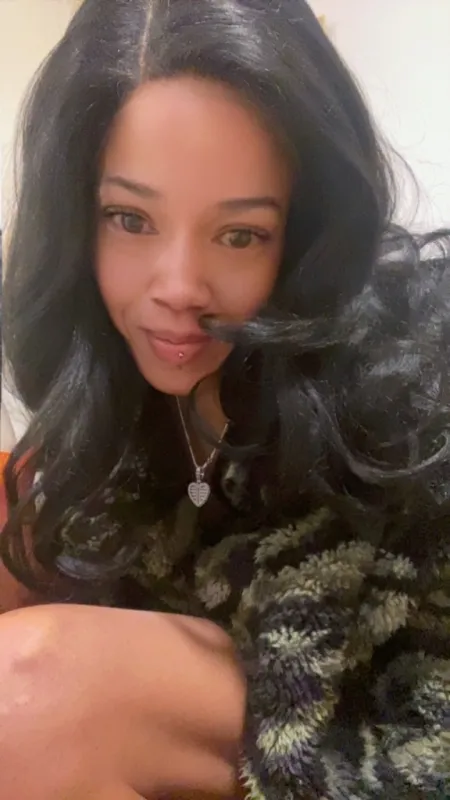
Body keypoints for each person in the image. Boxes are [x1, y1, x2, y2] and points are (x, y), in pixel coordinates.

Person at [1, 0, 449, 797]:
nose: (179, 288)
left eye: (240, 234)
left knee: (30, 694)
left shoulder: (410, 388)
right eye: (129, 219)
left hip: (384, 720)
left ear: (302, 229)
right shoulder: (107, 382)